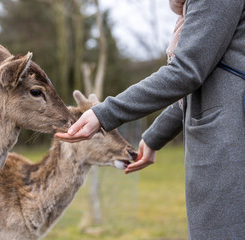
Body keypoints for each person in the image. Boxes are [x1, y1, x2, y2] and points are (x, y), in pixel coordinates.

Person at [55, 0, 245, 239]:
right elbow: (212, 76)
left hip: (233, 145)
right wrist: (155, 136)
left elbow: (187, 71)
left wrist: (105, 113)